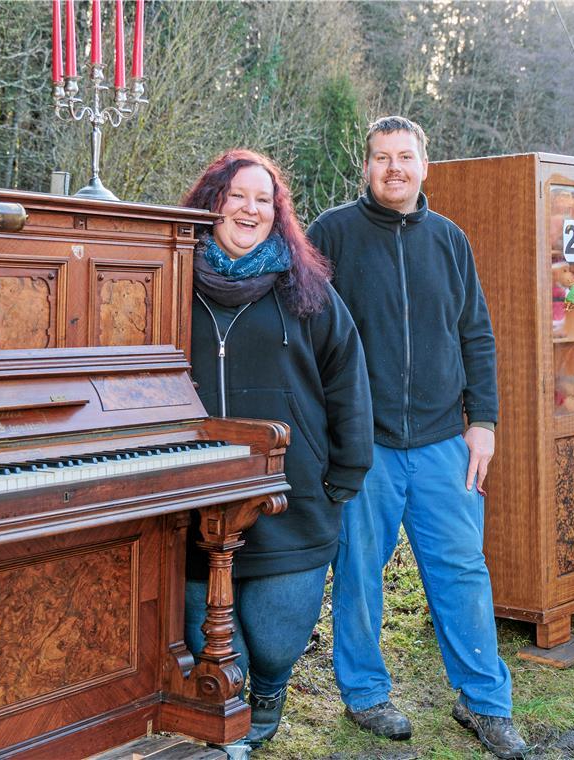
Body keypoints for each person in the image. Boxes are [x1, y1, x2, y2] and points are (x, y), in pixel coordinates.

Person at [307, 116, 528, 759]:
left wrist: (481, 424)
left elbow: (477, 337)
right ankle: (366, 692)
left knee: (463, 572)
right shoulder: (332, 234)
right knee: (358, 573)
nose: (394, 169)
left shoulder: (450, 241)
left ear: (425, 166)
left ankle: (484, 703)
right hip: (363, 445)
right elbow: (309, 332)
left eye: (405, 157)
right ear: (367, 166)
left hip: (441, 444)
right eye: (382, 158)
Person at [181, 149, 373, 748]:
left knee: (275, 637)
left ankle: (267, 690)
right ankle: (224, 712)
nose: (250, 208)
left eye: (263, 199)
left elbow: (347, 376)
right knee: (201, 631)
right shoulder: (168, 277)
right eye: (237, 195)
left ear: (278, 213)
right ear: (212, 202)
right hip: (189, 492)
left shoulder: (305, 289)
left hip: (290, 496)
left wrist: (346, 467)